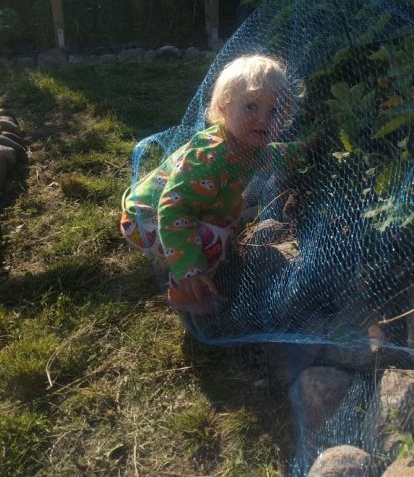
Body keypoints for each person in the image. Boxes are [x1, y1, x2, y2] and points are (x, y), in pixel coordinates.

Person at [120, 54, 304, 313]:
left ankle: (197, 260)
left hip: (174, 212)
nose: (263, 119)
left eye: (275, 111)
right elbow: (175, 207)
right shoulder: (212, 157)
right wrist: (190, 268)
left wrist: (309, 149)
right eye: (251, 106)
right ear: (223, 108)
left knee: (223, 223)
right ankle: (185, 295)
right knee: (213, 235)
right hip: (147, 218)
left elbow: (277, 155)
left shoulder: (249, 147)